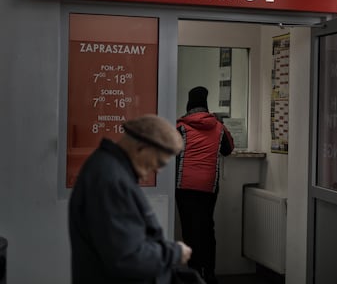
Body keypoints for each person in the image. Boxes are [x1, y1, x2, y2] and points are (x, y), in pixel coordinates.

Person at [69, 114, 193, 284]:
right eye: (159, 162)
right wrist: (175, 252)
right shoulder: (111, 180)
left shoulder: (110, 170)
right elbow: (128, 258)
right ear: (141, 148)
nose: (158, 170)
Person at [175, 86, 235, 284]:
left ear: (189, 103)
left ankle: (194, 272)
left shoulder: (181, 126)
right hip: (209, 186)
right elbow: (228, 149)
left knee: (190, 229)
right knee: (207, 227)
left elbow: (170, 151)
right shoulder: (218, 126)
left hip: (184, 184)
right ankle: (209, 272)